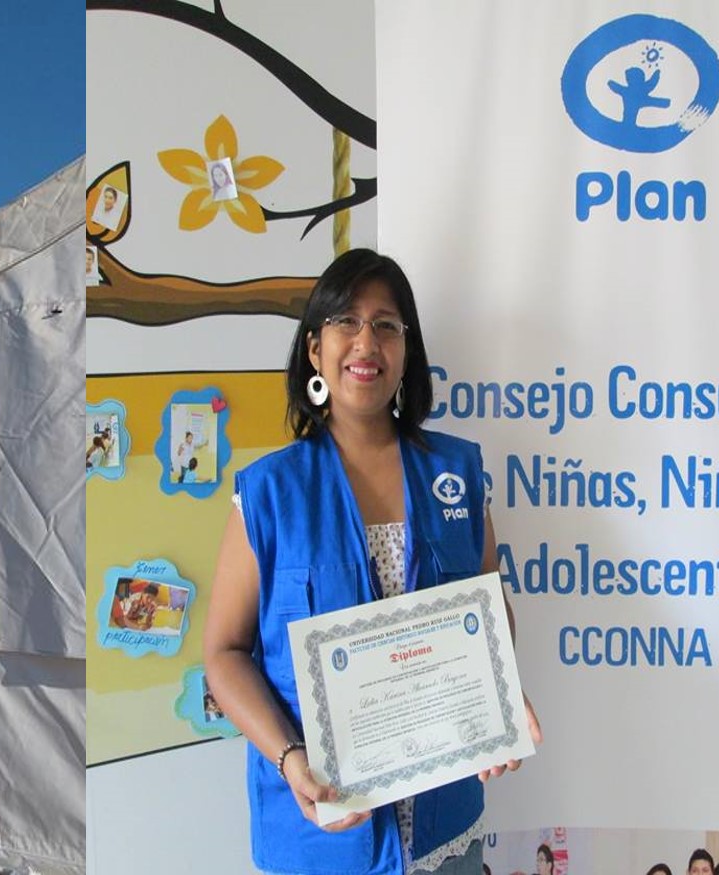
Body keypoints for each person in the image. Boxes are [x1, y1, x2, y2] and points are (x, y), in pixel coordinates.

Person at [202, 248, 542, 875]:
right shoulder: (268, 493)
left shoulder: (457, 472)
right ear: (315, 349)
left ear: (406, 351)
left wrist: (497, 697)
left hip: (446, 831)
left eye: (386, 325)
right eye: (346, 322)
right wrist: (289, 758)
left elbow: (491, 605)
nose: (366, 342)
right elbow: (223, 653)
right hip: (319, 833)